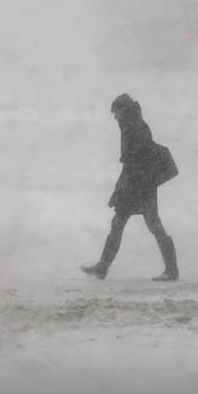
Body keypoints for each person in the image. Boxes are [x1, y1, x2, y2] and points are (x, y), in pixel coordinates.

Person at [80, 93, 179, 281]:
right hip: (133, 186)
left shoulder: (137, 128)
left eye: (116, 112)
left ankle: (172, 270)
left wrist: (131, 183)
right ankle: (103, 267)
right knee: (119, 225)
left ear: (124, 110)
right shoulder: (129, 126)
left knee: (153, 226)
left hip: (141, 188)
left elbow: (140, 161)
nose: (115, 117)